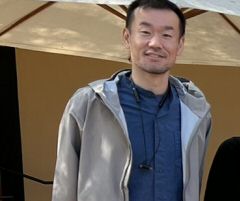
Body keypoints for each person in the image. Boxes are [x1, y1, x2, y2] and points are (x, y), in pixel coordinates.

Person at [52, 0, 212, 200]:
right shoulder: (88, 105)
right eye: (145, 32)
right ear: (127, 38)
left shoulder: (196, 112)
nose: (155, 43)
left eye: (167, 35)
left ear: (180, 45)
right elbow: (63, 187)